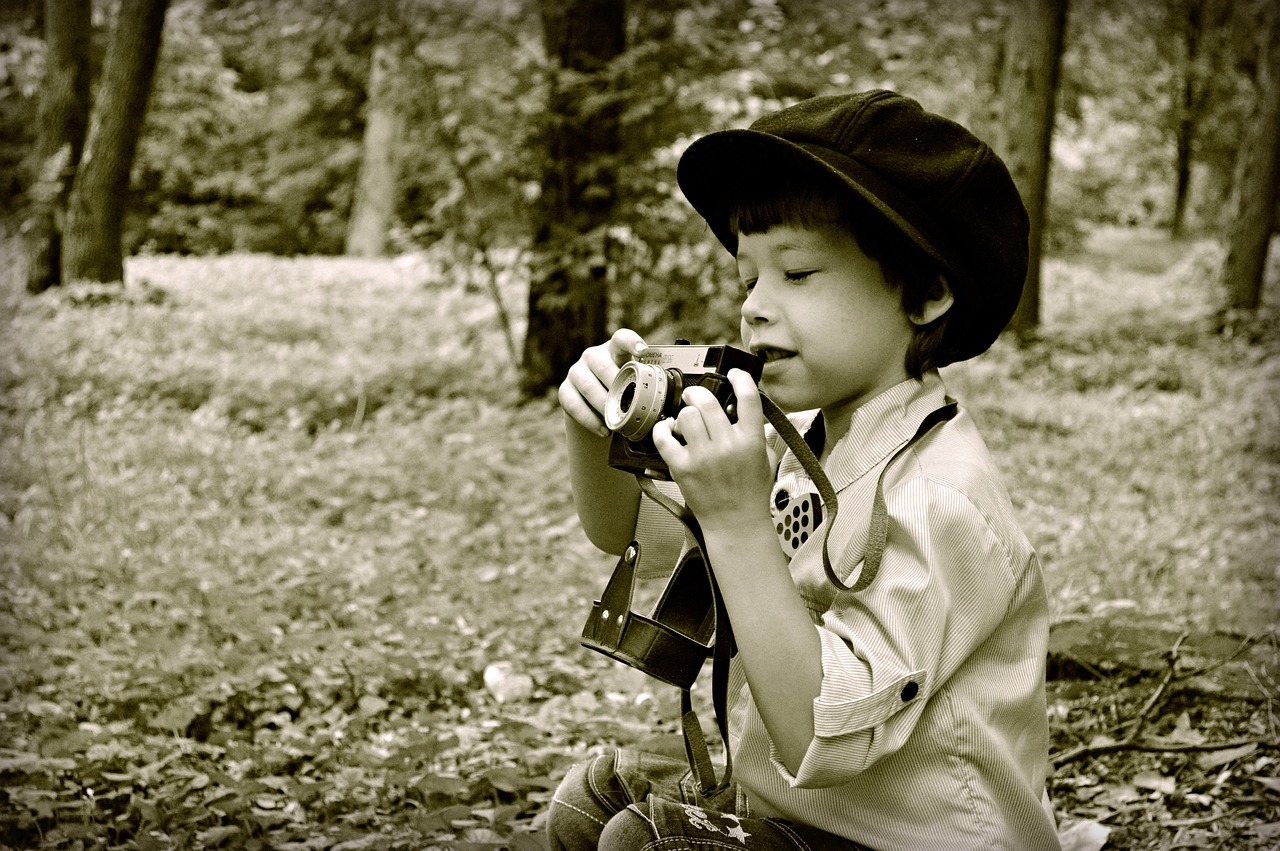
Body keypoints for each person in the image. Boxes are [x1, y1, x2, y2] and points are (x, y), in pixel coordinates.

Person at [550, 90, 1061, 851]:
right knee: (592, 801)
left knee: (644, 843)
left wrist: (738, 523)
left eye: (796, 272)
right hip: (810, 816)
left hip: (914, 837)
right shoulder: (812, 442)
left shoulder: (939, 497)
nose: (754, 307)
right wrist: (595, 426)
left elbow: (820, 737)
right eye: (748, 276)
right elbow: (637, 540)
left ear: (925, 291)